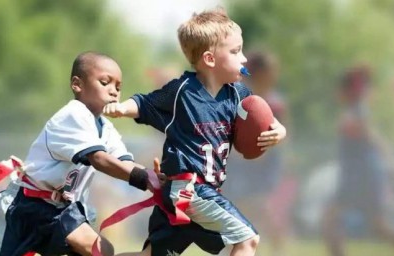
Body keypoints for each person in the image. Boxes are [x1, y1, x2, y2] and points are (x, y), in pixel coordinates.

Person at [103, 8, 287, 256]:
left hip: (195, 194)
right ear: (210, 60)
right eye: (235, 51)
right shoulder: (183, 92)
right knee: (248, 238)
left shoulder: (237, 94)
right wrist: (121, 108)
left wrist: (279, 132)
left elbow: (266, 121)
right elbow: (145, 103)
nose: (243, 59)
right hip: (190, 191)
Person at [0, 51, 162, 256]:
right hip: (35, 207)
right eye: (105, 82)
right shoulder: (73, 114)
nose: (114, 91)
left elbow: (124, 163)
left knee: (101, 251)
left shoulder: (105, 127)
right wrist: (146, 178)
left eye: (118, 87)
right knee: (100, 250)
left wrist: (158, 178)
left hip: (61, 209)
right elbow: (99, 159)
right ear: (77, 84)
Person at [321, 65, 394, 256]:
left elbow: (373, 136)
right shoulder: (353, 110)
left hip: (361, 175)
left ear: (347, 91)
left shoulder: (356, 111)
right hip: (361, 174)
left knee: (329, 220)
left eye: (339, 89)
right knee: (379, 226)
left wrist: (393, 161)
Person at [222, 50, 295, 256]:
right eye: (270, 71)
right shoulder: (241, 97)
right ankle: (237, 248)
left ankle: (279, 246)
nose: (274, 76)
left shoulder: (276, 103)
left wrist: (269, 148)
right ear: (259, 73)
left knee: (258, 206)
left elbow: (284, 133)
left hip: (266, 163)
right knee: (240, 208)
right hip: (241, 162)